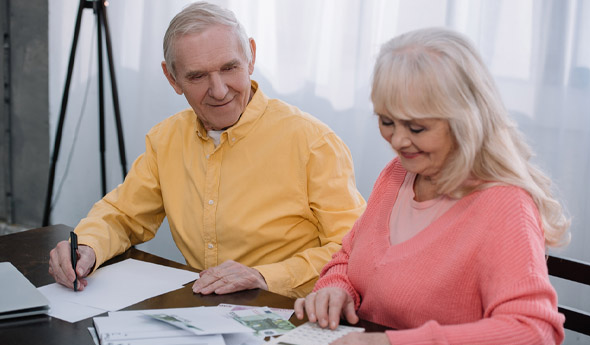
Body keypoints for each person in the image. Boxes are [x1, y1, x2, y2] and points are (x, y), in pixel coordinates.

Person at [294, 27, 570, 345]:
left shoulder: (504, 204)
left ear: (465, 121)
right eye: (386, 121)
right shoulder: (397, 174)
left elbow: (533, 335)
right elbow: (349, 257)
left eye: (417, 128)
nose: (398, 140)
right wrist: (336, 288)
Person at [48, 2, 365, 298]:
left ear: (251, 56)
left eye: (229, 68)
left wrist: (265, 276)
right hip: (204, 312)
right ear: (172, 78)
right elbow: (123, 215)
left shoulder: (313, 142)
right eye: (197, 76)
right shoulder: (166, 138)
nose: (219, 90)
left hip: (290, 314)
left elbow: (354, 251)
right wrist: (87, 245)